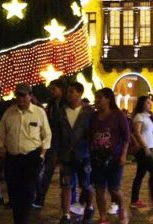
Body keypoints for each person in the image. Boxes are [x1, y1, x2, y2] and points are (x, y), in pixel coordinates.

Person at [0, 83, 51, 224]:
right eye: (18, 95)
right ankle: (18, 219)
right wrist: (0, 148)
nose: (20, 98)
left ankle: (23, 220)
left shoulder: (39, 112)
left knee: (27, 191)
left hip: (32, 158)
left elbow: (47, 135)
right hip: (12, 158)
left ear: (30, 96)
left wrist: (42, 155)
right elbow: (0, 133)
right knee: (13, 192)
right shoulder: (9, 112)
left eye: (23, 95)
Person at [51, 81, 94, 224]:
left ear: (79, 93)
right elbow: (56, 133)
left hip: (84, 154)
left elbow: (93, 133)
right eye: (68, 91)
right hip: (66, 154)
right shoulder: (60, 111)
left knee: (86, 184)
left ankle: (89, 207)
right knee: (66, 184)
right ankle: (66, 214)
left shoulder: (88, 112)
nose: (68, 95)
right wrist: (56, 152)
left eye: (71, 92)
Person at [88, 87, 130, 224]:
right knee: (99, 189)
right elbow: (90, 136)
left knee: (114, 189)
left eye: (100, 97)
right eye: (96, 97)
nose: (97, 100)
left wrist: (123, 155)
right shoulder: (93, 117)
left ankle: (122, 211)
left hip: (114, 159)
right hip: (97, 159)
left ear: (108, 99)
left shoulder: (118, 115)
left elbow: (126, 137)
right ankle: (103, 217)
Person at [34, 80, 65, 209]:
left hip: (64, 143)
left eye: (54, 89)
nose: (51, 91)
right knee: (46, 171)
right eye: (50, 89)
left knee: (67, 175)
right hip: (51, 142)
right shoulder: (51, 104)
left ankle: (71, 201)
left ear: (61, 89)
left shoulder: (66, 104)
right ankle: (40, 198)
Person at [129, 95, 153, 210]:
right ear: (142, 104)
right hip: (142, 149)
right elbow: (137, 133)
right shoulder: (139, 117)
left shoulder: (149, 116)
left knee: (140, 175)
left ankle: (134, 200)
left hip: (148, 148)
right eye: (148, 103)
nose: (150, 104)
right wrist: (145, 147)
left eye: (150, 103)